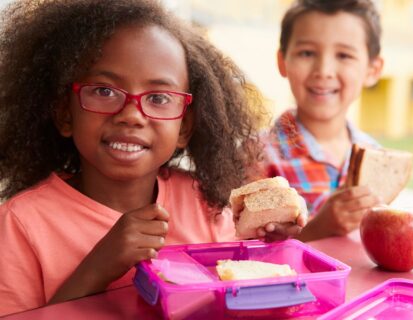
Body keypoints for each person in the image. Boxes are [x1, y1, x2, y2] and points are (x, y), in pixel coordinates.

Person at [0, 0, 303, 315]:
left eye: (159, 98)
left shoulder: (203, 204)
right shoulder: (21, 225)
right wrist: (96, 270)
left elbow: (241, 294)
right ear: (65, 114)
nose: (131, 116)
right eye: (104, 91)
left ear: (184, 126)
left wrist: (273, 247)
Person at [261, 0, 385, 241]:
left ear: (373, 70)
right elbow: (246, 256)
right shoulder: (256, 157)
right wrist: (319, 228)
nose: (324, 70)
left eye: (344, 55)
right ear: (282, 61)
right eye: (307, 53)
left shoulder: (377, 157)